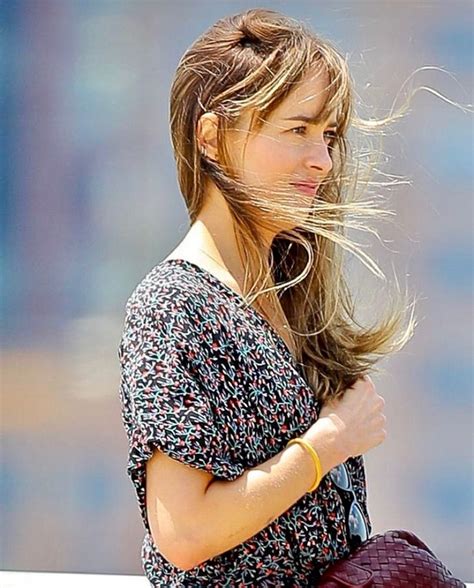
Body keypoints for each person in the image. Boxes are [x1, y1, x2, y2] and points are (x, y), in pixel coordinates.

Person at [118, 8, 416, 586]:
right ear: (211, 137)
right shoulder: (173, 305)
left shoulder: (291, 298)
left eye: (328, 136)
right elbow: (183, 532)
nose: (322, 160)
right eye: (298, 130)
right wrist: (326, 444)